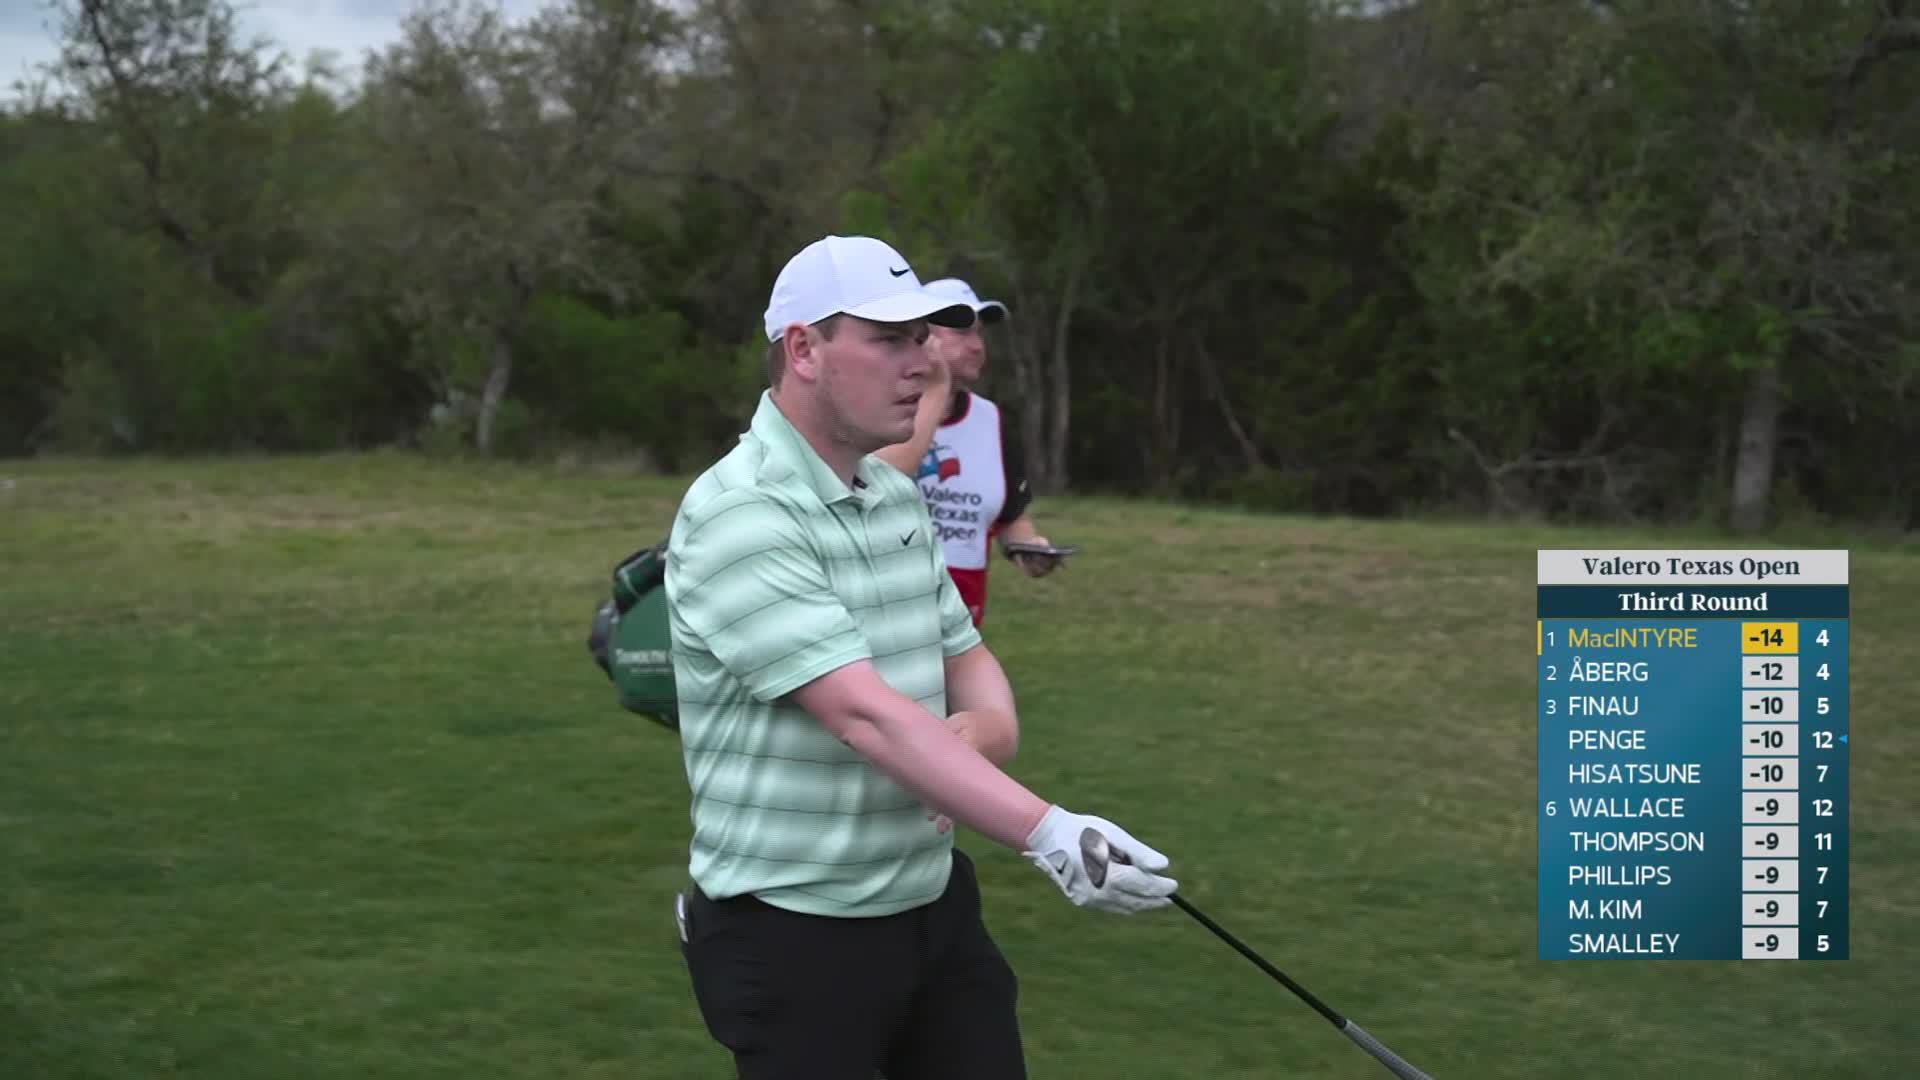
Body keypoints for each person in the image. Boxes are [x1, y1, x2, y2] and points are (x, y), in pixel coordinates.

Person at [663, 234, 1178, 1080]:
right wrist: (1049, 833)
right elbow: (865, 717)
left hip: (932, 908)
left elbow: (967, 660)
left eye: (923, 338)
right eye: (891, 339)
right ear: (804, 350)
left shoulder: (894, 494)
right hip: (796, 934)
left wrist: (971, 743)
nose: (923, 361)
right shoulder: (740, 514)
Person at [873, 277, 1060, 628]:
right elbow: (883, 481)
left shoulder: (991, 420)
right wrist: (935, 389)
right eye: (962, 333)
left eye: (980, 334)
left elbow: (1010, 515)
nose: (977, 346)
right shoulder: (881, 409)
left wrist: (1028, 546)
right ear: (920, 337)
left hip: (961, 634)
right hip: (886, 625)